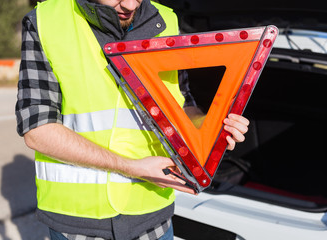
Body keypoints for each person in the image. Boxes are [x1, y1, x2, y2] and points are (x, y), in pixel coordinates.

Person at [15, 0, 250, 239]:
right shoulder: (47, 21)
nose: (129, 4)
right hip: (78, 222)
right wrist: (132, 168)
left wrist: (209, 126)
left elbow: (183, 101)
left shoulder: (167, 20)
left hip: (153, 216)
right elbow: (38, 130)